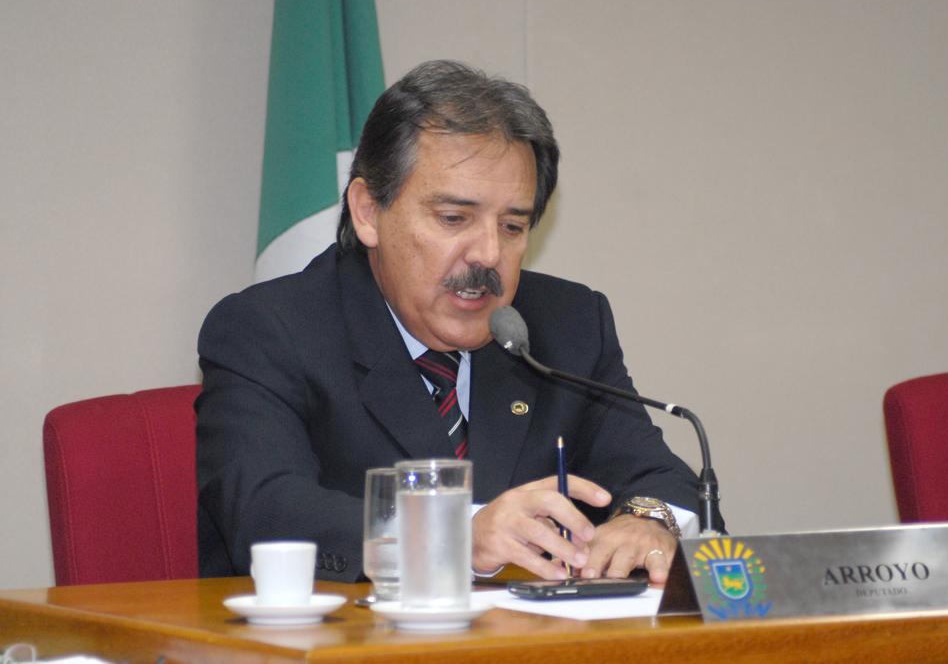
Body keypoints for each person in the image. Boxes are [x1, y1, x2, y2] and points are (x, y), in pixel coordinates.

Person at [196, 60, 718, 586]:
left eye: (512, 226)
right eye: (454, 219)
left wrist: (648, 522)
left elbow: (659, 475)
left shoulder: (566, 324)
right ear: (368, 211)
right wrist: (456, 537)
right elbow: (266, 513)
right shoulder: (269, 330)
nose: (489, 254)